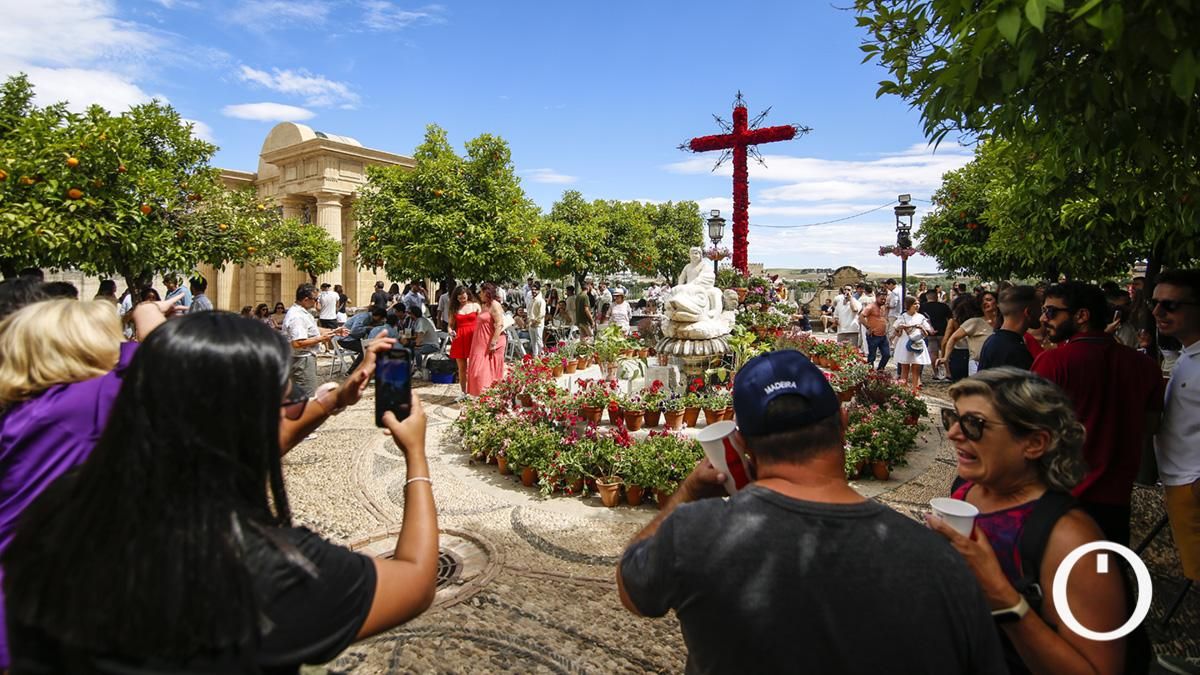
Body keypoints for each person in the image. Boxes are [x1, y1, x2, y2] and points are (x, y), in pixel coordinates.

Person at [2, 314, 439, 673]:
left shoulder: (63, 508)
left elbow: (226, 443)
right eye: (281, 404)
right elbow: (416, 579)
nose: (284, 417)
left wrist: (335, 400)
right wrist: (415, 455)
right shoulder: (261, 568)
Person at [617, 350, 1006, 674]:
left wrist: (686, 493)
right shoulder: (940, 562)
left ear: (740, 443)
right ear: (842, 422)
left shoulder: (695, 535)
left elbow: (633, 592)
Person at [0, 297, 175, 670]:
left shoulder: (31, 409)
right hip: (30, 601)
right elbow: (177, 369)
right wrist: (145, 313)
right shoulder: (79, 405)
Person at [929, 368, 1131, 675]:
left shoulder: (1072, 539)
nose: (954, 433)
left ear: (1034, 443)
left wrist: (1003, 598)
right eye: (952, 418)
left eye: (973, 424)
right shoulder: (967, 492)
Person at [1032, 281, 1163, 545]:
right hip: (1116, 498)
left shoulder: (1054, 362)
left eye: (1051, 312)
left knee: (1058, 574)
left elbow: (1029, 426)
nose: (1043, 319)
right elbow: (1151, 425)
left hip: (1062, 492)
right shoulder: (1145, 366)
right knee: (1105, 569)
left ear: (1081, 316)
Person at [1150, 269, 1200, 586]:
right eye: (1154, 303)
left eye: (1170, 305)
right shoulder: (1188, 355)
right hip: (1180, 481)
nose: (1157, 312)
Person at [284, 284, 341, 399]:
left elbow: (312, 330)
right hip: (302, 361)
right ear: (306, 299)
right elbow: (297, 343)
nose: (316, 302)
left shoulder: (302, 313)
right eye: (315, 299)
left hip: (303, 359)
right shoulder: (297, 317)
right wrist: (321, 339)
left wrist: (333, 331)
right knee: (308, 397)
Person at [978, 286, 1038, 371]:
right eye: (1040, 308)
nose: (1043, 316)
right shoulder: (1016, 351)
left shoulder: (992, 341)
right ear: (1028, 312)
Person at [467, 282, 506, 396]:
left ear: (486, 292)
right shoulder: (485, 305)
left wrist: (493, 342)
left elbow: (499, 324)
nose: (479, 294)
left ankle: (486, 394)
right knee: (476, 369)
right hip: (480, 341)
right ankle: (479, 393)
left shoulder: (495, 305)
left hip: (489, 341)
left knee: (484, 370)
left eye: (481, 292)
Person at [940, 295, 993, 377]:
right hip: (976, 354)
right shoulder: (979, 320)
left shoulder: (954, 321)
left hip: (959, 353)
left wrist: (944, 358)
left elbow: (945, 340)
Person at [892, 296, 935, 391]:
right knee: (905, 368)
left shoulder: (921, 317)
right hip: (905, 343)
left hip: (918, 342)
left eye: (918, 303)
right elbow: (896, 330)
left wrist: (922, 328)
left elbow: (928, 330)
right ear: (909, 305)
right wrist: (900, 328)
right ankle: (903, 391)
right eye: (915, 304)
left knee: (916, 368)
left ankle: (915, 391)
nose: (917, 306)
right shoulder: (902, 317)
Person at [448, 286, 480, 397]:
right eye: (460, 298)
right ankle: (463, 392)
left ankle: (475, 391)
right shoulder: (454, 309)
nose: (462, 300)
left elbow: (482, 321)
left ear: (468, 295)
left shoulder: (475, 306)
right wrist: (451, 332)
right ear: (456, 298)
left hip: (474, 338)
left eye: (464, 297)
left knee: (475, 367)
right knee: (462, 368)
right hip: (460, 338)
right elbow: (450, 326)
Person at [340, 307, 386, 372]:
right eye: (380, 319)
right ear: (378, 316)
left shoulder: (369, 318)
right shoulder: (364, 317)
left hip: (351, 338)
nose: (380, 321)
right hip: (345, 339)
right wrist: (367, 328)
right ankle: (352, 371)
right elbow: (354, 331)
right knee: (366, 350)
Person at [921, 289, 952, 380]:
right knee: (945, 353)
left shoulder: (922, 307)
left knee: (933, 354)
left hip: (930, 333)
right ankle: (948, 372)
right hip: (943, 332)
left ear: (927, 296)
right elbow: (950, 319)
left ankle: (936, 373)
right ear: (936, 296)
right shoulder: (943, 306)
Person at [860, 291, 890, 370]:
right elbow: (861, 317)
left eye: (884, 299)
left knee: (887, 354)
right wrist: (868, 327)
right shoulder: (870, 307)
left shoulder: (883, 307)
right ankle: (870, 373)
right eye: (882, 299)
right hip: (873, 335)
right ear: (876, 297)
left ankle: (880, 370)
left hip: (883, 335)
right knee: (872, 356)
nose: (883, 301)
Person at [527, 281, 546, 358]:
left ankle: (542, 357)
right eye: (532, 289)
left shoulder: (541, 300)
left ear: (538, 290)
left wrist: (534, 322)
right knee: (533, 342)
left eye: (535, 289)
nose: (533, 291)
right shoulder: (531, 299)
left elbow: (542, 314)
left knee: (539, 341)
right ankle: (535, 357)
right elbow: (529, 311)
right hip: (531, 323)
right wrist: (529, 321)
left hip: (538, 324)